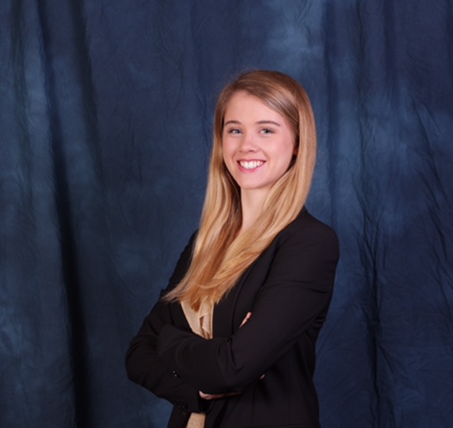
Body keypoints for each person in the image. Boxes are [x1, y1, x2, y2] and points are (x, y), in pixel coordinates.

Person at [125, 70, 339, 428]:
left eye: (266, 130)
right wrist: (197, 388)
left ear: (298, 142)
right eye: (234, 129)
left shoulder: (309, 243)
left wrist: (168, 339)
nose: (246, 146)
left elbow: (232, 369)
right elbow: (136, 356)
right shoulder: (204, 243)